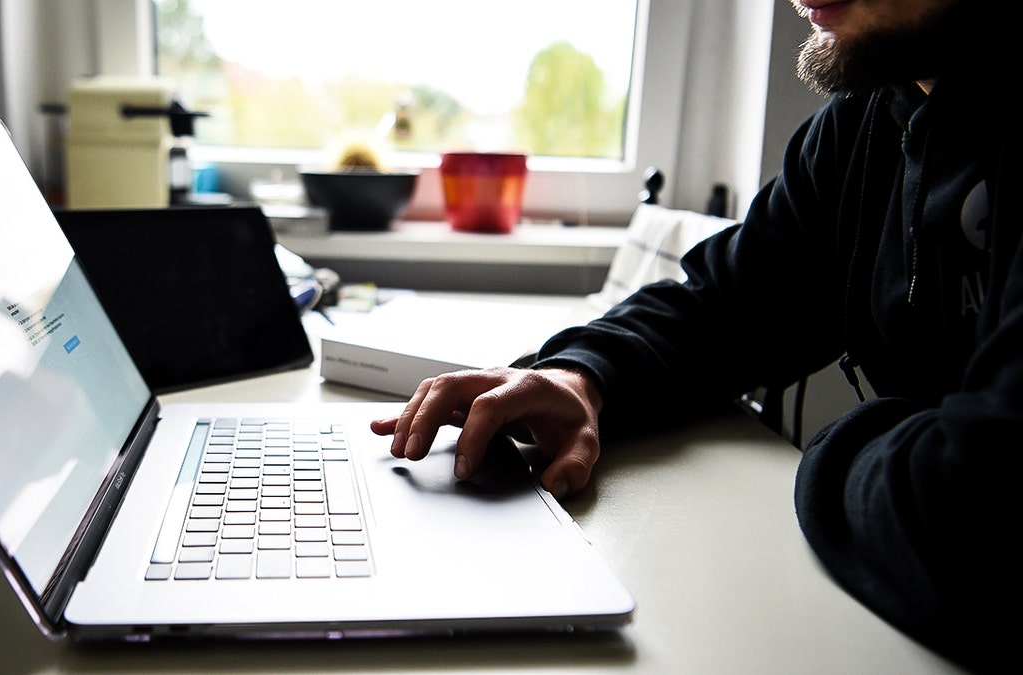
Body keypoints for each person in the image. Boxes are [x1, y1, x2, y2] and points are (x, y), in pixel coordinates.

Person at [371, 1, 1018, 671]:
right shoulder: (865, 123)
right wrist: (580, 377)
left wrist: (844, 440)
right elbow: (724, 305)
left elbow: (982, 514)